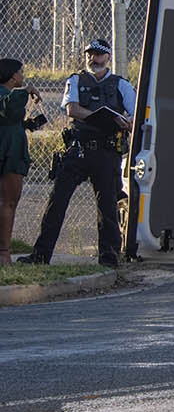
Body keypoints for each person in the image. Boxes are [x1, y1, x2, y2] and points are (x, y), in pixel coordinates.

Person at [22, 39, 135, 267]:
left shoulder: (121, 84)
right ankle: (40, 256)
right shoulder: (75, 80)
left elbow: (135, 115)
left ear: (108, 58)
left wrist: (124, 122)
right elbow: (72, 109)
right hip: (79, 149)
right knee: (57, 202)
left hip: (106, 152)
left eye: (99, 55)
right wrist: (100, 116)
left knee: (108, 207)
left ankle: (109, 258)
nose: (93, 59)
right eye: (90, 54)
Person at [0, 58, 43, 266]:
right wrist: (27, 90)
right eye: (21, 72)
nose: (23, 75)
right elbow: (8, 108)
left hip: (9, 148)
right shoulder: (7, 96)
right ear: (13, 76)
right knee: (8, 203)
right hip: (9, 154)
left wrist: (25, 124)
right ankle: (4, 254)